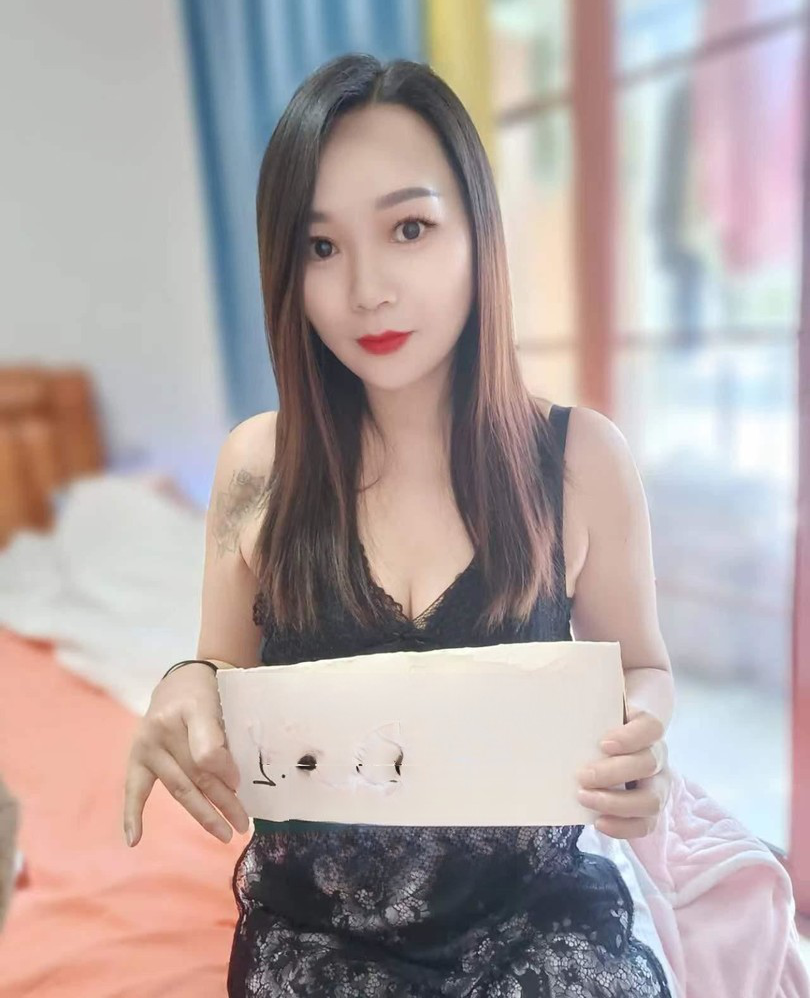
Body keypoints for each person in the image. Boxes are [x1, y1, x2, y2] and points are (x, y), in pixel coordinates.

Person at [123, 53, 676, 997]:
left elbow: (643, 667)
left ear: (478, 235)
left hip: (530, 922)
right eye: (320, 247)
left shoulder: (581, 460)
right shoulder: (258, 466)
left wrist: (643, 738)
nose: (367, 289)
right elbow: (220, 671)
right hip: (319, 936)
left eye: (409, 228)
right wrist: (182, 684)